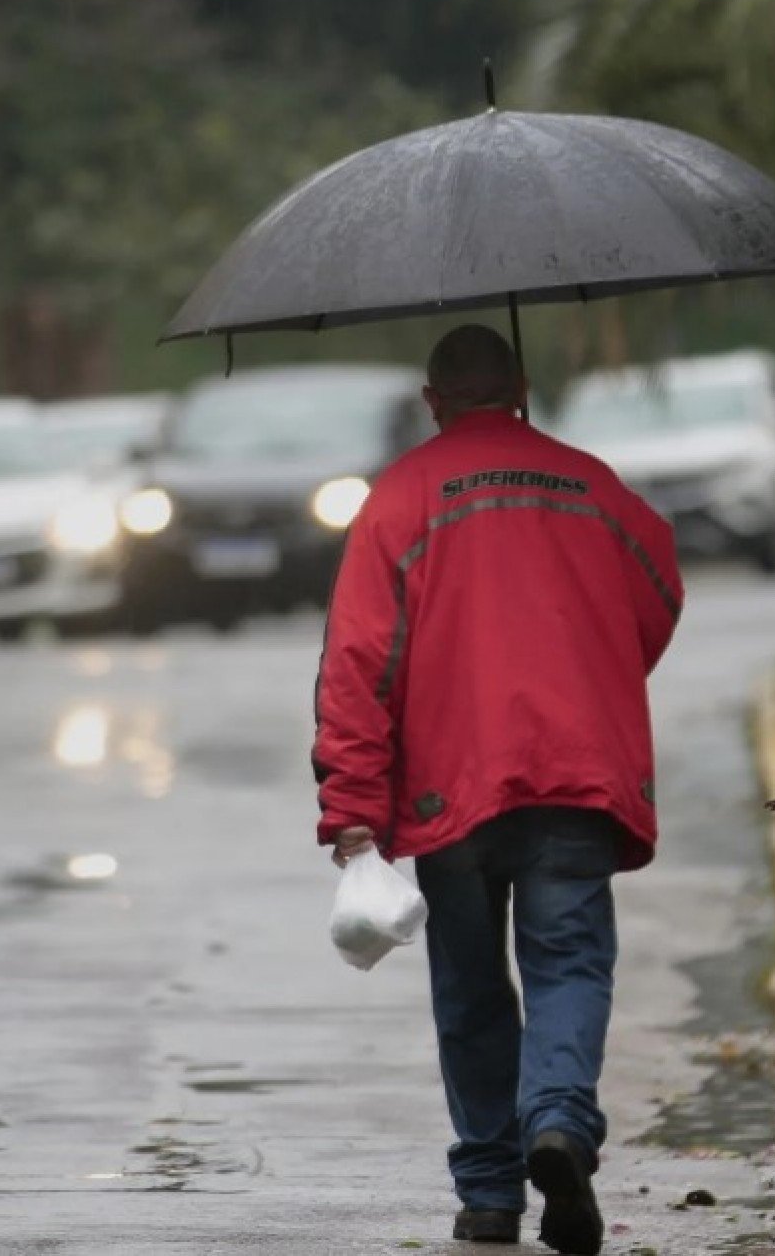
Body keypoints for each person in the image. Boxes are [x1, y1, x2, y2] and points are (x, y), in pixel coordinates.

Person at [313, 324, 683, 1254]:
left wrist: (353, 811)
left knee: (471, 990)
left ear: (434, 401)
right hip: (573, 774)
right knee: (568, 962)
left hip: (450, 793)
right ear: (521, 387)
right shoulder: (594, 486)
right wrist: (586, 665)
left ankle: (488, 1195)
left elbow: (358, 664)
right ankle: (557, 1121)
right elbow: (658, 597)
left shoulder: (399, 500)